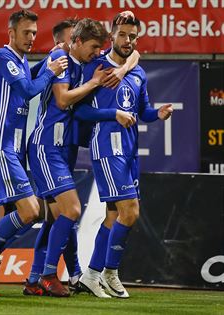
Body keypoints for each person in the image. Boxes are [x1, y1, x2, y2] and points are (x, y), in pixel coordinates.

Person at [24, 17, 138, 298]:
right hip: (46, 146)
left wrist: (122, 69)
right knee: (72, 210)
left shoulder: (83, 63)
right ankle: (51, 274)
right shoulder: (61, 57)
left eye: (101, 47)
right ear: (75, 42)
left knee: (54, 218)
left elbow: (134, 52)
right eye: (93, 46)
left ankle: (35, 278)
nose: (98, 52)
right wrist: (96, 82)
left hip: (64, 149)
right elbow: (63, 100)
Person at [0, 9, 68, 297]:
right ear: (11, 33)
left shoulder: (20, 60)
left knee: (10, 214)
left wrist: (48, 59)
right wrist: (51, 69)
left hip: (14, 149)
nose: (32, 38)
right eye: (26, 33)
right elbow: (28, 88)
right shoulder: (2, 56)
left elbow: (30, 75)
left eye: (34, 33)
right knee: (30, 211)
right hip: (0, 145)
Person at [75, 14, 173, 299]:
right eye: (123, 34)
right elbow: (80, 112)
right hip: (107, 146)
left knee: (114, 214)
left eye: (132, 36)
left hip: (130, 149)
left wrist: (158, 114)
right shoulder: (96, 65)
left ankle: (92, 274)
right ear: (112, 34)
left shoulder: (137, 72)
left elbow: (143, 111)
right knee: (130, 210)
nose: (127, 41)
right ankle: (109, 271)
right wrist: (112, 115)